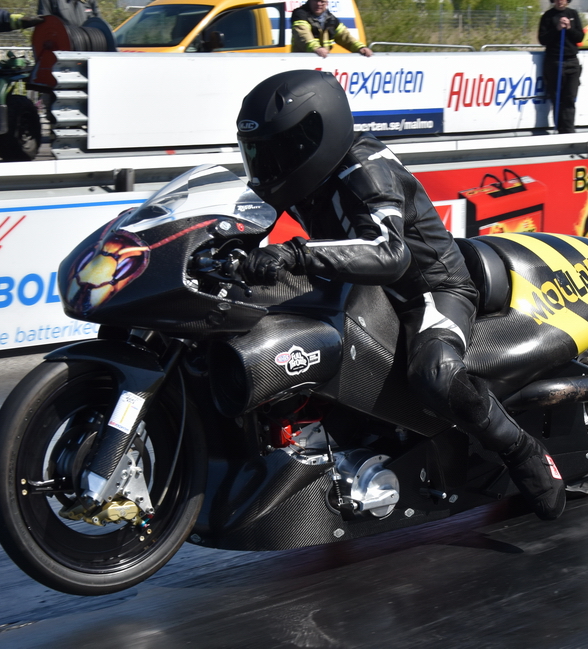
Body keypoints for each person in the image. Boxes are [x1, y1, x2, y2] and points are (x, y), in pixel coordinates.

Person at [235, 69, 566, 521]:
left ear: (313, 138)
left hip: (428, 290)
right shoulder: (293, 174)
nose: (265, 165)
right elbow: (245, 219)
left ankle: (522, 451)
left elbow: (390, 252)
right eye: (256, 152)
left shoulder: (367, 170)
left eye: (276, 151)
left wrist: (295, 253)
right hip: (360, 287)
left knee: (435, 374)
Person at [538, 0, 584, 134]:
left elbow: (580, 37)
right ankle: (559, 130)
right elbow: (542, 40)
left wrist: (569, 28)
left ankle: (569, 131)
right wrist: (556, 28)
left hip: (571, 61)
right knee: (557, 99)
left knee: (570, 98)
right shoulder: (547, 16)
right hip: (554, 62)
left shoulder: (573, 14)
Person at [291, 0, 373, 58]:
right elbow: (303, 34)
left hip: (323, 60)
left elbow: (345, 36)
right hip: (303, 60)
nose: (318, 4)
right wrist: (316, 49)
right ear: (311, 0)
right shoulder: (300, 14)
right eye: (316, 0)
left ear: (327, 4)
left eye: (322, 1)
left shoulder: (331, 19)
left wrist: (360, 47)